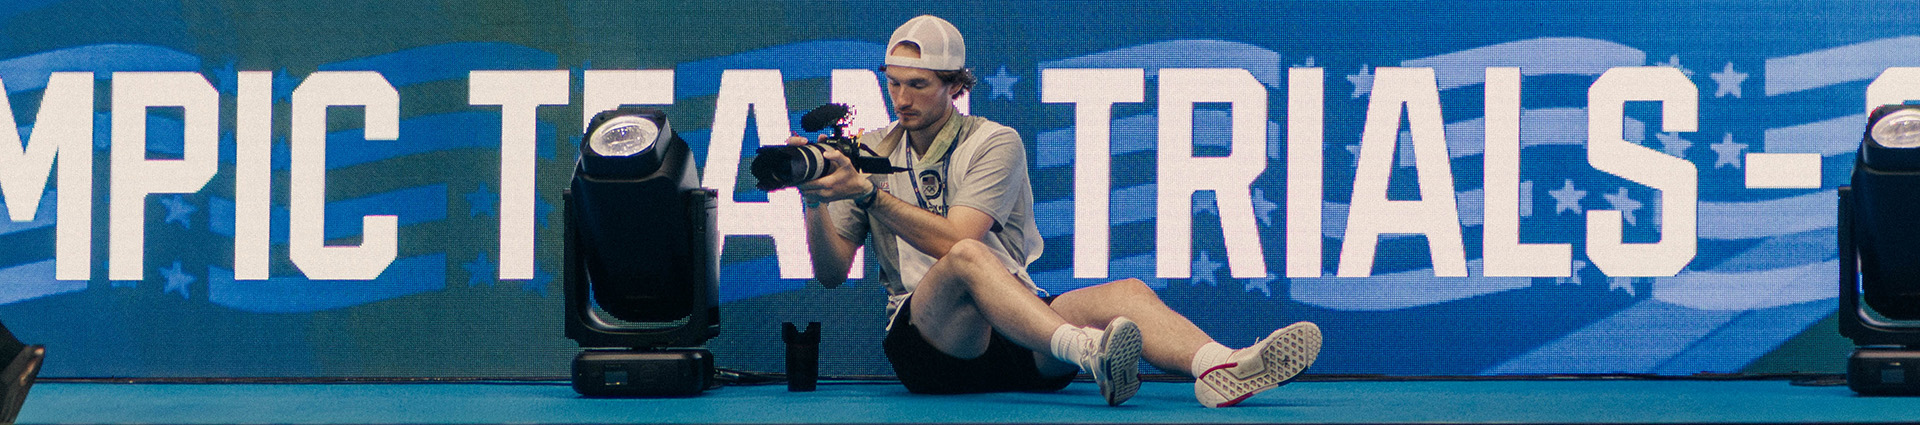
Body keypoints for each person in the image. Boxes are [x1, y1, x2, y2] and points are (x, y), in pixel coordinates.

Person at [790, 14, 1322, 407]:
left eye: (919, 85)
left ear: (956, 86)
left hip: (1022, 336)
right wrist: (814, 197)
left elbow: (957, 237)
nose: (902, 98)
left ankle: (1221, 366)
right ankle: (1090, 353)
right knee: (969, 261)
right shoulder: (871, 150)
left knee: (1127, 293)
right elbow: (832, 273)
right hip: (932, 348)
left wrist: (867, 194)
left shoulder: (994, 142)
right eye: (894, 82)